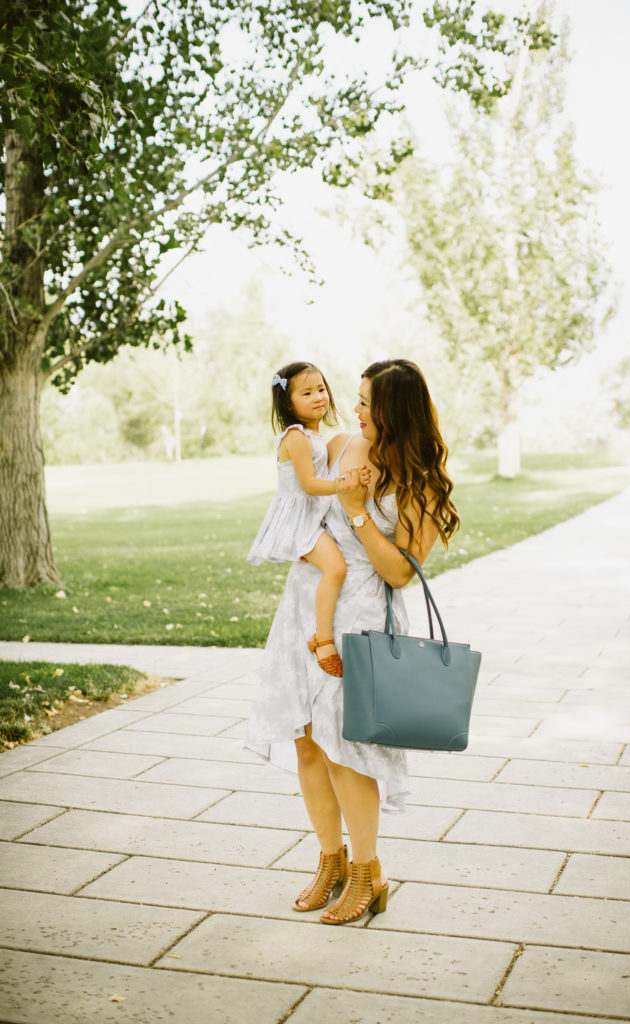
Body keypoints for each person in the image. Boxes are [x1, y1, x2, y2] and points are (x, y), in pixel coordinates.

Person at [245, 359, 459, 924]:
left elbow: (399, 573)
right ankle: (331, 862)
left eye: (366, 402)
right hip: (306, 609)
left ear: (396, 411)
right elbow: (296, 499)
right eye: (358, 399)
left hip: (363, 618)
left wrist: (359, 513)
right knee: (309, 742)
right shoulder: (338, 445)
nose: (355, 410)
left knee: (348, 751)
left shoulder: (421, 482)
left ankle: (370, 874)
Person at [247, 361, 369, 676]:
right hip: (299, 521)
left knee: (337, 567)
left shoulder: (316, 436)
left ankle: (325, 631)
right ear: (288, 403)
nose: (318, 397)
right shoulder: (297, 437)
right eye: (307, 393)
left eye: (321, 389)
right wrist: (345, 485)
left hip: (313, 516)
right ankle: (323, 639)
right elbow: (311, 485)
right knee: (336, 568)